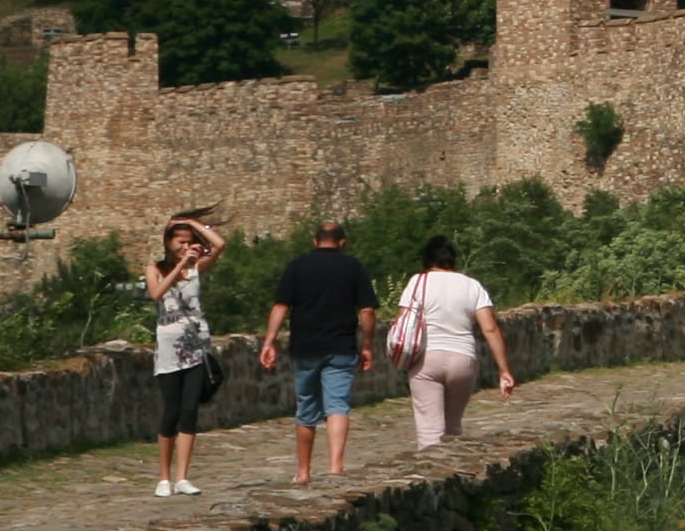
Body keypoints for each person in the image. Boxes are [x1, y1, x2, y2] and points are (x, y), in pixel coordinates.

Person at [258, 216, 378, 484]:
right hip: (341, 346)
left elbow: (280, 306)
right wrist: (368, 346)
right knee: (337, 406)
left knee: (306, 408)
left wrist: (269, 342)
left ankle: (303, 471)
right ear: (342, 242)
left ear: (315, 241)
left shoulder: (297, 266)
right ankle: (335, 467)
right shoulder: (353, 267)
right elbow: (367, 311)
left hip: (305, 347)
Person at [394, 236, 517, 448]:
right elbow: (490, 329)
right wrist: (504, 370)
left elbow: (402, 321)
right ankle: (455, 465)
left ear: (427, 259)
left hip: (426, 360)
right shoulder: (472, 285)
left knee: (429, 431)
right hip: (463, 359)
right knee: (453, 427)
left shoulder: (417, 282)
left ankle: (430, 467)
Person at [147, 212, 229, 497]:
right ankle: (163, 477)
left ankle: (183, 476)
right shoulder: (155, 268)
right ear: (168, 243)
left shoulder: (197, 267)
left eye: (188, 242)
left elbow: (220, 244)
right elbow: (157, 293)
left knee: (189, 410)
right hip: (169, 349)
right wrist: (181, 264)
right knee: (171, 411)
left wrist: (194, 224)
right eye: (179, 241)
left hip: (196, 347)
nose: (185, 246)